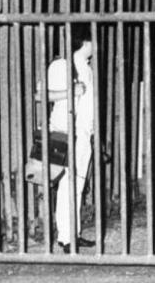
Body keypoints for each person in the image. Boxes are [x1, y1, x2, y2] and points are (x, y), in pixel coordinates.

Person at [45, 25, 96, 253]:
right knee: (68, 185)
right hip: (65, 132)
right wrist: (71, 92)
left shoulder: (86, 66)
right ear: (85, 42)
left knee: (78, 184)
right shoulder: (61, 64)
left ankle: (73, 233)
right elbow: (41, 94)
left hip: (84, 133)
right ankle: (65, 237)